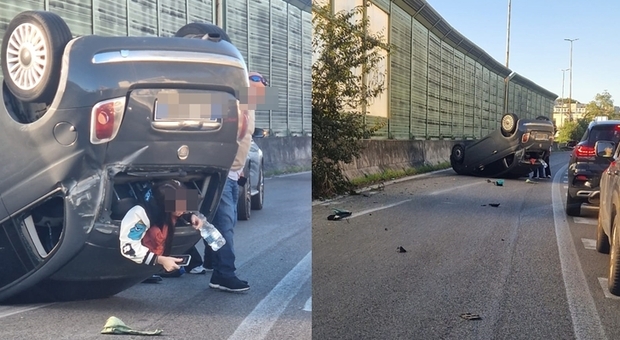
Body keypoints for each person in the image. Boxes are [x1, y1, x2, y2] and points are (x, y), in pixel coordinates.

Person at [186, 71, 266, 291]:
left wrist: (239, 169)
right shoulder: (232, 104)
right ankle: (224, 274)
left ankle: (213, 261)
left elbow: (243, 141)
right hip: (221, 174)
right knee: (226, 224)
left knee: (219, 222)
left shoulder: (250, 108)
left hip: (232, 173)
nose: (258, 92)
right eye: (254, 87)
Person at [119, 179, 205, 273]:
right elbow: (129, 248)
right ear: (166, 206)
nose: (184, 211)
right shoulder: (140, 213)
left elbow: (181, 206)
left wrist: (190, 216)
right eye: (181, 209)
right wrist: (159, 260)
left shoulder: (173, 191)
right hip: (130, 261)